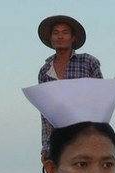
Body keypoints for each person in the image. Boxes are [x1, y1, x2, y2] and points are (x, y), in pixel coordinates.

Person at [37, 15, 103, 162]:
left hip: (86, 133)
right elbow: (45, 114)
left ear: (73, 38)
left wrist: (100, 137)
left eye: (65, 32)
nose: (60, 36)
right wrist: (46, 146)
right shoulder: (45, 71)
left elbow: (101, 100)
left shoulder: (88, 62)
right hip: (59, 136)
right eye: (56, 33)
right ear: (51, 38)